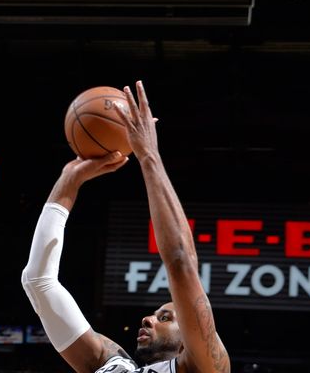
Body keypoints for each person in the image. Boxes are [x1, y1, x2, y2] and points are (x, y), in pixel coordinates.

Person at [21, 81, 230, 373]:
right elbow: (38, 281)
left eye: (166, 318)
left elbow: (181, 262)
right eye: (158, 315)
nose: (148, 318)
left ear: (190, 341)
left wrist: (148, 156)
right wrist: (68, 182)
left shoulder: (207, 366)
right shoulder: (111, 364)